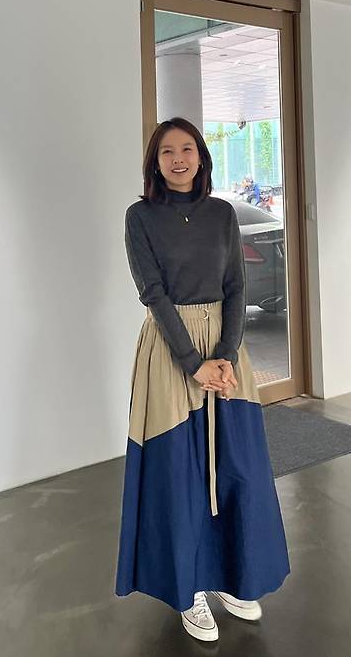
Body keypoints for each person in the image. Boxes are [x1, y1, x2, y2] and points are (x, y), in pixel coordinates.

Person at [114, 117, 290, 643]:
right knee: (178, 471)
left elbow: (236, 286)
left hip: (225, 348)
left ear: (201, 156)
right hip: (172, 348)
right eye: (167, 151)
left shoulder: (221, 214)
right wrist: (194, 362)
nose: (178, 158)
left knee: (237, 466)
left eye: (187, 148)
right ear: (155, 161)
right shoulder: (140, 217)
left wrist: (226, 355)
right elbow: (152, 293)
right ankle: (188, 589)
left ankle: (231, 577)